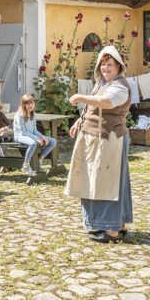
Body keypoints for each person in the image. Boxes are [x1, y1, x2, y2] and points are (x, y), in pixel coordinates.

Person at [66, 46, 132, 243]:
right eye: (103, 64)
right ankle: (118, 225)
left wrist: (79, 97)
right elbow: (95, 104)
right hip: (98, 138)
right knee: (105, 182)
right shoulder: (102, 83)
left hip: (110, 139)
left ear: (119, 67)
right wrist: (80, 120)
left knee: (107, 184)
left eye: (110, 64)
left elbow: (107, 102)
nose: (105, 68)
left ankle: (111, 231)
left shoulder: (119, 86)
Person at [13, 94, 56, 176]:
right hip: (20, 136)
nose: (30, 106)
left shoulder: (33, 115)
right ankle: (26, 165)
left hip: (31, 135)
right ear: (23, 105)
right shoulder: (19, 116)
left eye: (32, 103)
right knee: (33, 143)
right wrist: (37, 139)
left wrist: (42, 137)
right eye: (28, 104)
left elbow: (34, 131)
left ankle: (39, 162)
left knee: (52, 141)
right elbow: (23, 132)